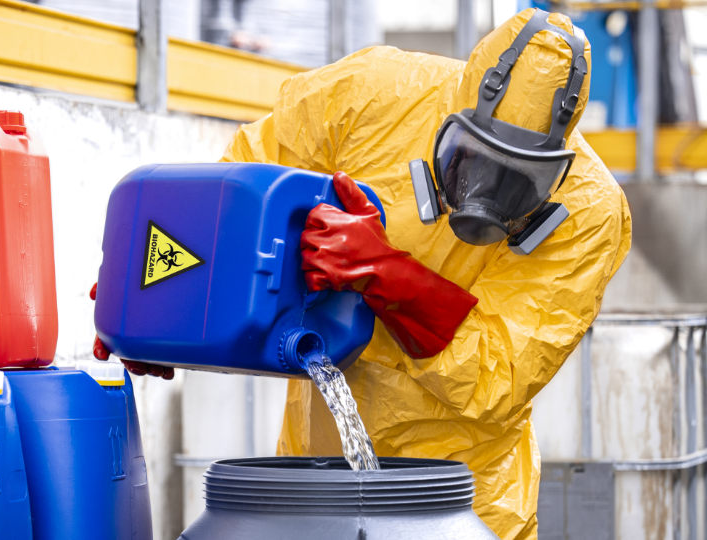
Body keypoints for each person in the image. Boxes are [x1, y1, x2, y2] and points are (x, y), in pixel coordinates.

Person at [96, 8, 631, 539]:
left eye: (517, 180)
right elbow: (239, 195)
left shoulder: (588, 211)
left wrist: (386, 273)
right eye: (470, 161)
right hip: (319, 473)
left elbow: (495, 378)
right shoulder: (373, 96)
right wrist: (166, 309)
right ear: (452, 112)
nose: (483, 198)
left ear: (557, 168)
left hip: (462, 501)